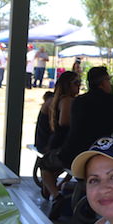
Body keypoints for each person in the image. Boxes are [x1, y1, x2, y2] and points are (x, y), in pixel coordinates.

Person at [59, 65, 113, 170]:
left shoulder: (79, 101)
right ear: (102, 83)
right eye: (108, 80)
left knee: (46, 165)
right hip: (97, 155)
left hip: (71, 155)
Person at [40, 72, 81, 216]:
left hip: (56, 144)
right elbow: (64, 122)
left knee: (50, 167)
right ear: (67, 85)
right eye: (76, 83)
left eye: (79, 82)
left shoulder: (58, 99)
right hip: (61, 144)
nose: (79, 85)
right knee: (46, 165)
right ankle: (57, 194)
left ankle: (55, 191)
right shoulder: (67, 100)